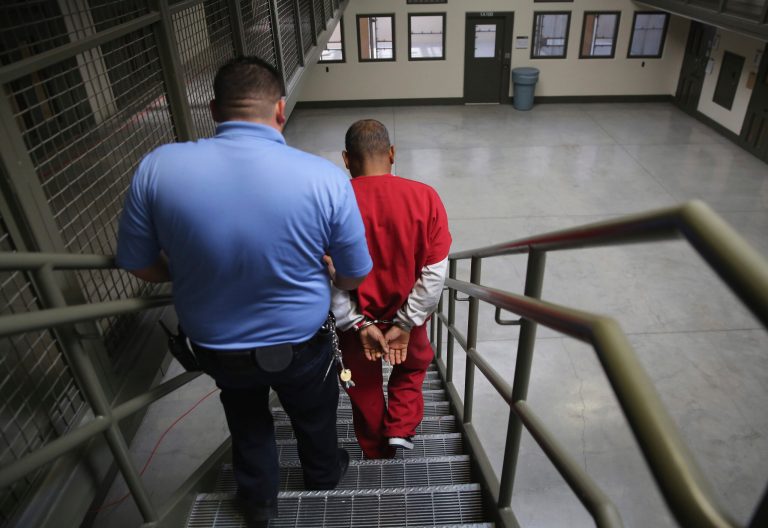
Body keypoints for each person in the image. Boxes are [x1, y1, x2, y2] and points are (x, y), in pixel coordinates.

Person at [116, 57, 372, 527]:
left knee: (245, 414)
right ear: (280, 108)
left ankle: (259, 502)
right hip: (302, 341)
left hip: (216, 344)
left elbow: (138, 263)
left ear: (214, 109)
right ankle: (322, 473)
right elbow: (355, 274)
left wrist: (194, 268)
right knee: (314, 410)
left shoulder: (159, 167)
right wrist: (331, 272)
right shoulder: (324, 178)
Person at [331, 119, 451, 459]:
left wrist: (359, 323)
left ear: (346, 159)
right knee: (412, 367)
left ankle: (373, 447)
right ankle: (400, 427)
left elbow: (329, 274)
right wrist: (405, 322)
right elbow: (434, 273)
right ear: (392, 153)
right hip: (408, 319)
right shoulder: (425, 197)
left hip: (357, 325)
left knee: (362, 383)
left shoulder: (335, 202)